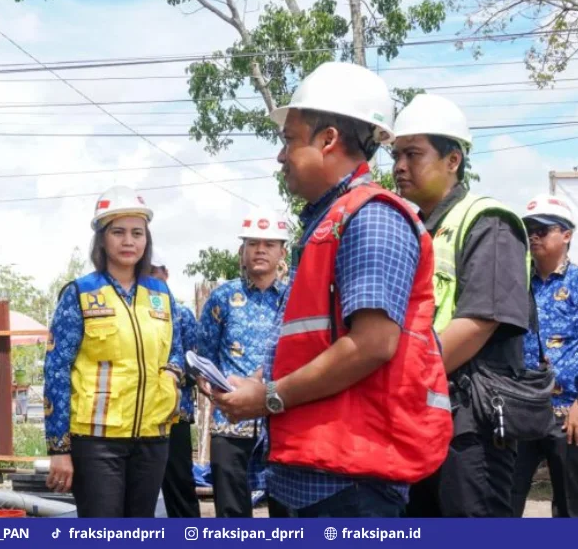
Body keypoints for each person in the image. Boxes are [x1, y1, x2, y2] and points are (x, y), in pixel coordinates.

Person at [210, 62, 453, 518]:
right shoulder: (331, 222)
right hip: (315, 474)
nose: (282, 157)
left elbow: (372, 344)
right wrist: (265, 384)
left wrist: (270, 397)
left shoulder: (373, 219)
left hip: (350, 486)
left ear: (327, 140)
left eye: (289, 141)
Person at [391, 94, 533, 517]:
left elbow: (479, 321)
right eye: (396, 154)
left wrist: (400, 380)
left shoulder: (489, 220)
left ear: (453, 160)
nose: (399, 166)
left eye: (412, 154)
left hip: (472, 425)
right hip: (423, 417)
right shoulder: (416, 230)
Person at [43, 186, 185, 518]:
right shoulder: (79, 293)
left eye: (137, 233)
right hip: (96, 442)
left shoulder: (161, 294)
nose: (128, 241)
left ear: (146, 240)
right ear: (102, 240)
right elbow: (56, 371)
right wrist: (59, 449)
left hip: (153, 438)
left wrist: (172, 377)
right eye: (118, 232)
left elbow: (176, 350)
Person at [511, 194, 578, 518]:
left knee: (572, 506)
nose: (533, 235)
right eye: (529, 229)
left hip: (572, 414)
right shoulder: (516, 284)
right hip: (522, 410)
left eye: (542, 229)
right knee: (504, 497)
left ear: (566, 234)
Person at [197, 208, 289, 518]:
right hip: (230, 423)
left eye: (269, 244)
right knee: (231, 512)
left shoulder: (295, 298)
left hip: (281, 420)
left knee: (286, 509)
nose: (260, 250)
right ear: (242, 250)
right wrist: (217, 392)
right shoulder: (223, 297)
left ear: (282, 252)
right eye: (252, 243)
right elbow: (204, 357)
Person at [150, 251, 202, 518]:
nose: (150, 278)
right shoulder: (136, 314)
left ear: (166, 273)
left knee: (179, 484)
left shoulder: (181, 314)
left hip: (175, 414)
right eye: (144, 273)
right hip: (140, 417)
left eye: (154, 272)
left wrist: (168, 376)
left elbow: (194, 367)